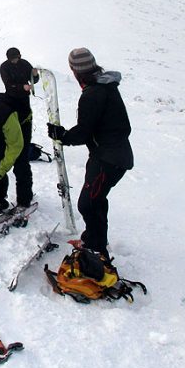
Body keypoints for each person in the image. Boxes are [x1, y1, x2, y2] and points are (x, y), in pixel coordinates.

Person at [47, 47, 133, 260]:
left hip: (108, 159)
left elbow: (84, 131)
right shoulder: (105, 86)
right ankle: (94, 241)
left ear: (75, 71)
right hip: (112, 156)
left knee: (88, 203)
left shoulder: (93, 93)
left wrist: (62, 135)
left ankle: (96, 250)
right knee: (96, 201)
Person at [0, 47, 39, 201]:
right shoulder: (4, 67)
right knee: (13, 130)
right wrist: (22, 87)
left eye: (17, 58)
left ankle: (25, 195)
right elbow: (8, 84)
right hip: (11, 100)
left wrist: (34, 75)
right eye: (13, 59)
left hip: (24, 101)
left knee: (23, 148)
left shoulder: (25, 63)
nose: (15, 60)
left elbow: (33, 80)